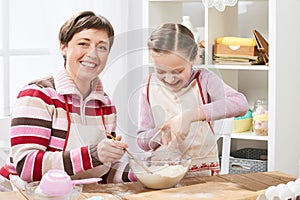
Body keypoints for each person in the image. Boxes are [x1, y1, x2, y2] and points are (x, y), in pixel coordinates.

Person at [0, 11, 135, 192]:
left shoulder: (106, 106)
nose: (93, 54)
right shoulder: (38, 95)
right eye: (83, 44)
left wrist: (144, 171)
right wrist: (93, 154)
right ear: (63, 47)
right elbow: (26, 166)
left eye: (102, 47)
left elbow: (102, 172)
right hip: (19, 194)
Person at [136, 23, 249, 176]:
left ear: (194, 58)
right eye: (161, 71)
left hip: (203, 176)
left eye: (178, 71)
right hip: (164, 175)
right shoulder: (148, 86)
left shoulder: (205, 80)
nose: (169, 78)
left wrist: (190, 116)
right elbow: (142, 141)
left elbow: (240, 104)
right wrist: (160, 134)